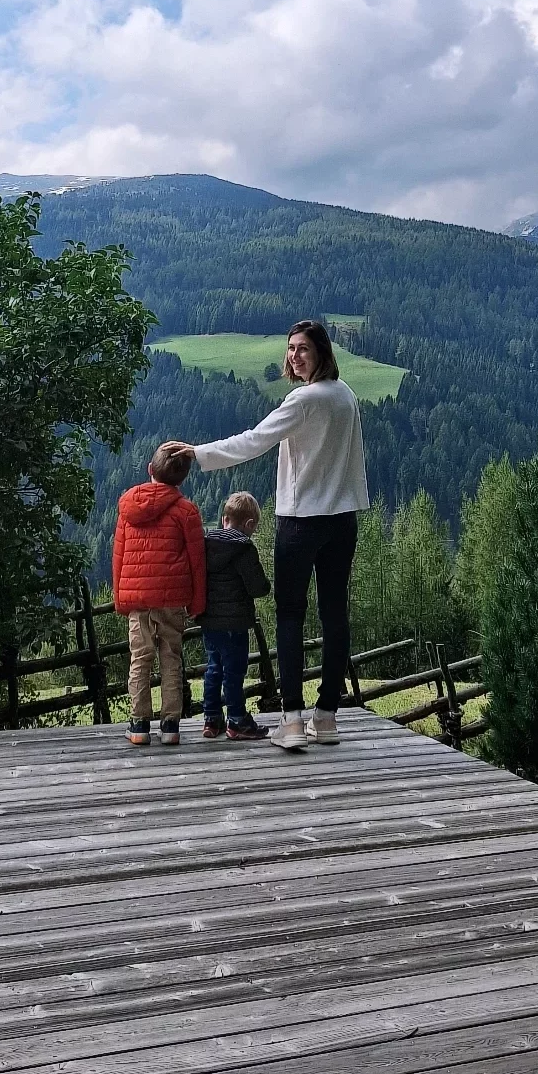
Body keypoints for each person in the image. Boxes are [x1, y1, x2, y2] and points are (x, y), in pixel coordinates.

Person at [170, 320, 369, 751]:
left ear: (321, 353)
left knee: (290, 615)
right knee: (336, 614)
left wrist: (197, 453)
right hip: (343, 520)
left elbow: (253, 442)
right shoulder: (346, 397)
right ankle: (328, 715)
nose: (295, 356)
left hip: (300, 523)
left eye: (303, 349)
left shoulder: (303, 401)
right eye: (292, 348)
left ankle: (293, 719)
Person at [112, 441, 206, 748]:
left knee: (140, 660)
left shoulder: (128, 507)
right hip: (172, 599)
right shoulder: (186, 512)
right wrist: (198, 600)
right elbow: (197, 560)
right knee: (171, 659)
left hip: (138, 601)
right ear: (182, 478)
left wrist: (120, 597)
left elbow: (119, 555)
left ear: (150, 469)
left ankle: (139, 725)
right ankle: (170, 726)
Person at [199, 491, 272, 742]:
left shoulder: (205, 545)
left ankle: (211, 718)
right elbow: (257, 587)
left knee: (213, 668)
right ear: (249, 524)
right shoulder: (243, 549)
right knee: (234, 671)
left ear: (223, 519)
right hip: (235, 622)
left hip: (209, 621)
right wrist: (267, 586)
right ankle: (237, 720)